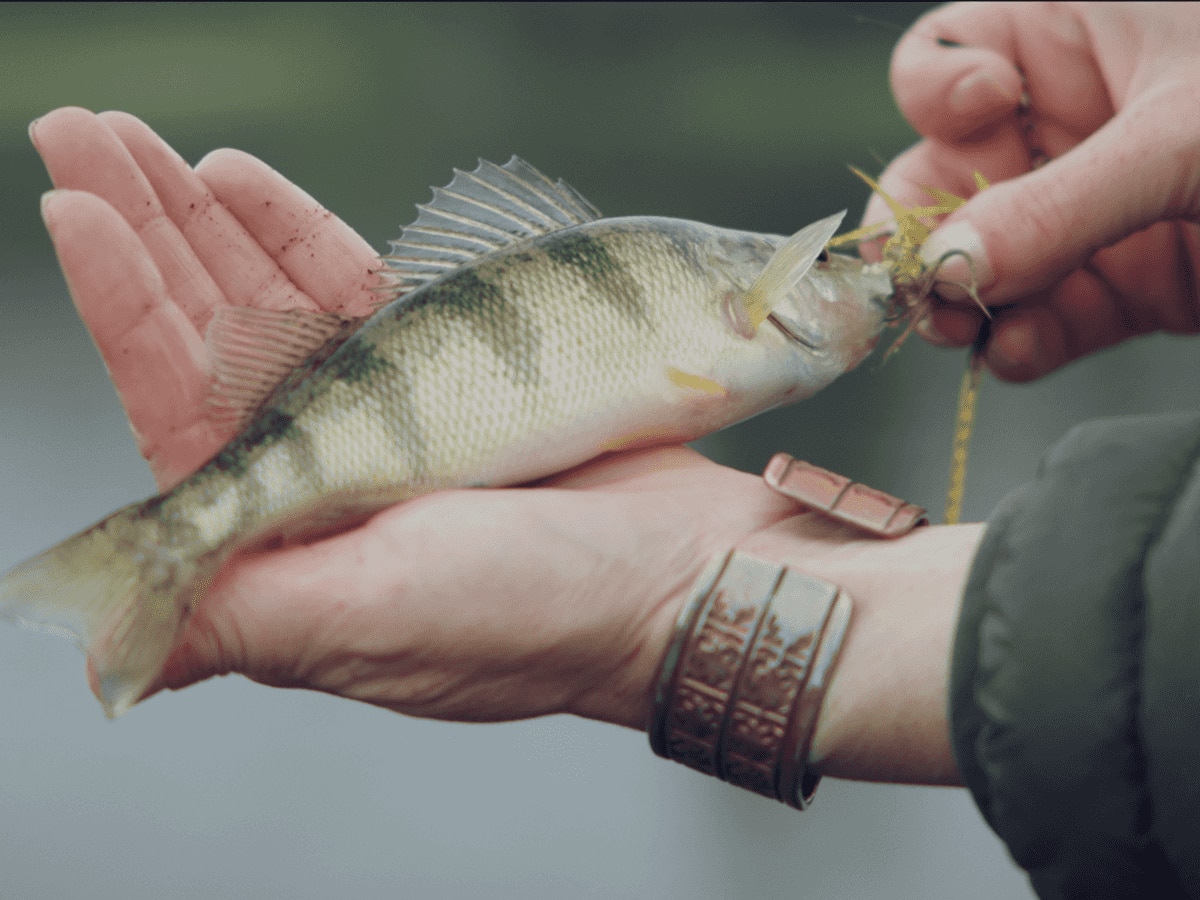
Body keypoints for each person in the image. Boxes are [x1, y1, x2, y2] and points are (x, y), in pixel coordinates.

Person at [22, 2, 1200, 897]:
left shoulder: (748, 319)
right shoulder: (741, 313)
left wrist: (699, 607)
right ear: (775, 290)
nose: (869, 275)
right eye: (839, 264)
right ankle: (158, 554)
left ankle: (154, 554)